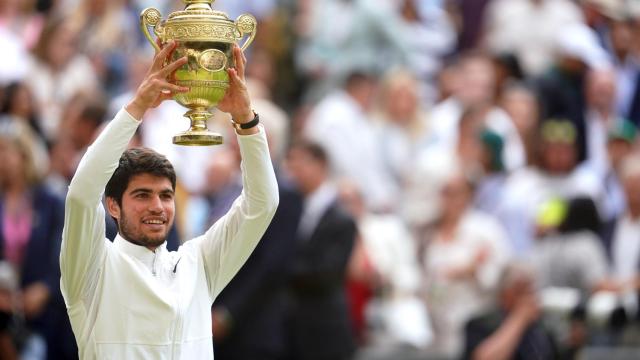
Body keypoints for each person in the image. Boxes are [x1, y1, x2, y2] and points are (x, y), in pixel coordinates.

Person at [59, 41, 279, 359]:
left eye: (165, 196)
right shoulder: (93, 267)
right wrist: (137, 107)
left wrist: (245, 119)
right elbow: (81, 195)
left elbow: (262, 205)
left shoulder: (199, 264)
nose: (157, 206)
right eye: (142, 195)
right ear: (113, 206)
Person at [284, 140, 357, 360]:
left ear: (321, 165)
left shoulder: (342, 218)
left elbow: (327, 272)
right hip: (294, 329)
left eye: (301, 164)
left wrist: (280, 269)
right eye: (291, 165)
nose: (294, 172)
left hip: (326, 329)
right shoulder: (290, 209)